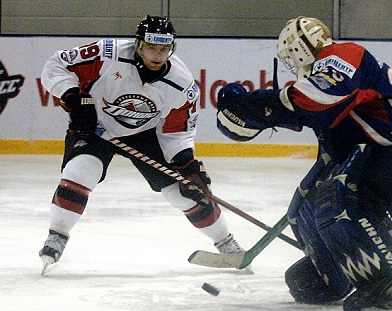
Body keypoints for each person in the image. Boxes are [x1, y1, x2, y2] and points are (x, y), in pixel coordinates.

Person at [215, 16, 392, 311]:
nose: (291, 64)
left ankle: (390, 291)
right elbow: (282, 116)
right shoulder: (318, 80)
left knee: (347, 199)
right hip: (384, 149)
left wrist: (258, 103)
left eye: (291, 55)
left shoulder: (343, 56)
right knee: (309, 202)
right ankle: (336, 272)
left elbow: (317, 98)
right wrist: (243, 111)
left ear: (300, 49)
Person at [39, 15, 248, 273]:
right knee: (82, 170)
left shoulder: (181, 84)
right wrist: (74, 96)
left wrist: (187, 165)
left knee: (182, 191)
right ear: (139, 44)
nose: (158, 55)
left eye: (164, 49)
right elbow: (56, 65)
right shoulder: (108, 52)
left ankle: (225, 242)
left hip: (145, 134)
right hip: (94, 126)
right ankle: (57, 235)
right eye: (151, 47)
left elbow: (177, 132)